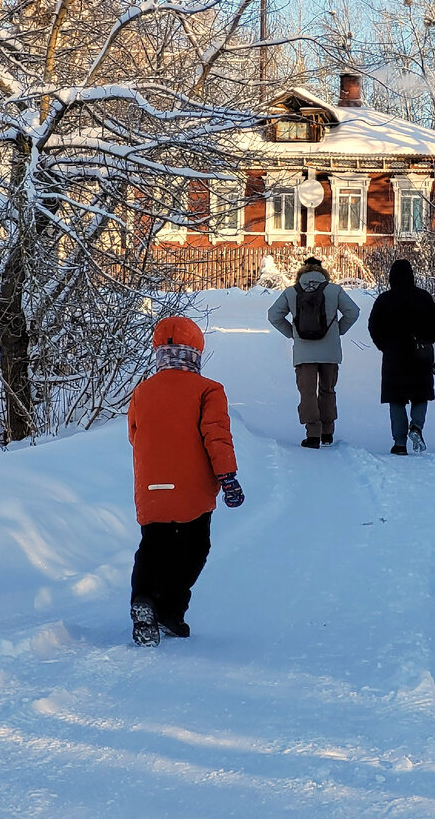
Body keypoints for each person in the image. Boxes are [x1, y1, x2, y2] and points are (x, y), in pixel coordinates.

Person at [127, 315, 244, 647]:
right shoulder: (209, 390)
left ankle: (144, 600)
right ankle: (170, 612)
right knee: (193, 548)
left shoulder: (142, 392)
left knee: (153, 546)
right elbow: (216, 438)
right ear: (196, 352)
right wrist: (228, 478)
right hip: (192, 490)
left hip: (151, 489)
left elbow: (134, 436)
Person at [267, 255, 360, 448]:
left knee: (307, 393)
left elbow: (273, 315)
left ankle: (312, 435)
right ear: (322, 272)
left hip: (304, 353)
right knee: (328, 390)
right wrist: (338, 330)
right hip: (330, 352)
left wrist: (293, 333)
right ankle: (327, 432)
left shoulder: (291, 292)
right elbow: (353, 311)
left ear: (301, 272)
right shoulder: (334, 290)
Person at [368, 259, 435, 455]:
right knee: (420, 395)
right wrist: (426, 340)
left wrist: (384, 346)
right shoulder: (423, 297)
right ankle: (416, 427)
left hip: (394, 357)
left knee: (396, 399)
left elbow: (373, 326)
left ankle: (399, 443)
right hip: (420, 355)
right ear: (412, 275)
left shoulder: (384, 300)